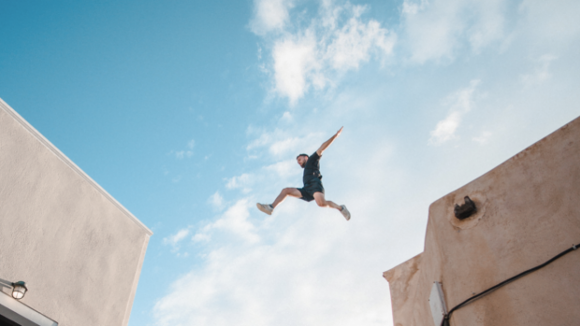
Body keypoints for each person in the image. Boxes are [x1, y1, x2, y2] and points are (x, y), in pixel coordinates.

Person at [256, 127, 351, 221]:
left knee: (321, 203)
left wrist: (335, 136)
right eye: (297, 161)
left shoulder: (312, 159)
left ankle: (341, 208)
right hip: (306, 189)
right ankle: (271, 207)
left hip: (315, 185)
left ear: (306, 157)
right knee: (286, 191)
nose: (298, 162)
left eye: (299, 159)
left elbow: (322, 148)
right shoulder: (306, 169)